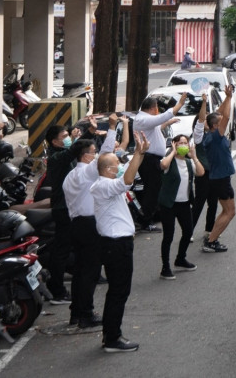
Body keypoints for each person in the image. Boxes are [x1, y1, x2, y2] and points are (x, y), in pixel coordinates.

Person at [91, 131, 148, 353]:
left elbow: (126, 178)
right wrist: (136, 154)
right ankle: (112, 338)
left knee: (118, 290)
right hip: (116, 245)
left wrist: (140, 154)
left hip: (118, 243)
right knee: (118, 291)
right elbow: (127, 180)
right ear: (108, 169)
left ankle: (111, 334)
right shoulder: (104, 186)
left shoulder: (105, 184)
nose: (120, 165)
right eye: (117, 163)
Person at [62, 114, 118, 329]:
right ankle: (85, 313)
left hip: (77, 224)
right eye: (93, 153)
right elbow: (107, 154)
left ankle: (77, 312)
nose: (96, 156)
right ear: (85, 156)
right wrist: (112, 128)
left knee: (80, 271)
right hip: (88, 225)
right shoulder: (86, 173)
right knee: (90, 272)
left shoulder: (71, 176)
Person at [45, 122, 95, 305]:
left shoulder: (64, 154)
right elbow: (71, 152)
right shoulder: (56, 158)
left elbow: (76, 151)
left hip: (71, 206)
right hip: (62, 207)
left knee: (73, 247)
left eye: (68, 135)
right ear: (54, 141)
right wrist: (83, 135)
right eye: (64, 136)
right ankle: (57, 290)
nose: (67, 138)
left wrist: (84, 135)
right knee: (62, 250)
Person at [132, 92, 189, 231]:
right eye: (156, 108)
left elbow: (158, 126)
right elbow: (161, 118)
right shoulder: (143, 119)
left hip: (151, 158)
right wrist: (179, 104)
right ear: (152, 108)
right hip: (149, 159)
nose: (157, 110)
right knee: (153, 190)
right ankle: (145, 221)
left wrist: (169, 122)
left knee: (154, 189)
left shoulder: (145, 120)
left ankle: (147, 218)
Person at [158, 134, 205, 279]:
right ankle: (165, 267)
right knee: (169, 235)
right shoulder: (169, 161)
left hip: (184, 203)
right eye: (180, 143)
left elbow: (201, 172)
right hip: (168, 204)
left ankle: (180, 259)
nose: (184, 145)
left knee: (188, 231)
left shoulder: (189, 162)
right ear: (174, 144)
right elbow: (163, 165)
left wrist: (194, 156)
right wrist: (172, 152)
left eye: (186, 143)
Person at [201, 84, 236, 253]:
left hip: (220, 179)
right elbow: (226, 117)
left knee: (226, 211)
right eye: (219, 121)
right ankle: (211, 241)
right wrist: (229, 98)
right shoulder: (215, 136)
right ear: (216, 126)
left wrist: (226, 97)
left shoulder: (211, 133)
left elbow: (221, 113)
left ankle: (211, 238)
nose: (222, 119)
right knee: (230, 212)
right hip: (220, 180)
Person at [191, 102, 218, 238]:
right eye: (205, 119)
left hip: (214, 174)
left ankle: (209, 231)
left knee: (213, 204)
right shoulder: (198, 136)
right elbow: (201, 120)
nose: (208, 120)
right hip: (203, 174)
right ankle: (189, 231)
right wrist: (204, 101)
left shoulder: (214, 134)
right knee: (198, 204)